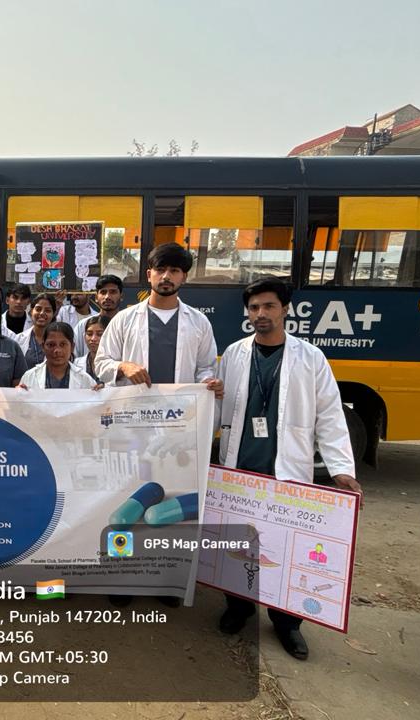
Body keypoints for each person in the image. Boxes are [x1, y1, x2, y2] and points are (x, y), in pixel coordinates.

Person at [215, 277, 362, 661]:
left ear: (285, 309)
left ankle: (287, 622)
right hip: (242, 469)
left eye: (268, 306)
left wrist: (341, 468)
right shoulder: (233, 354)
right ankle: (239, 606)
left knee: (286, 551)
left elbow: (330, 415)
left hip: (287, 473)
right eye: (254, 308)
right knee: (238, 544)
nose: (260, 314)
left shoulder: (310, 358)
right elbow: (220, 406)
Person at [94, 245, 223, 397]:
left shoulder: (199, 322)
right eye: (160, 269)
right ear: (149, 275)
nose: (166, 276)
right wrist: (123, 367)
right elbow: (101, 363)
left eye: (174, 270)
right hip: (134, 406)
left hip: (181, 407)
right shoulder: (124, 319)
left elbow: (206, 367)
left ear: (184, 277)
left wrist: (208, 382)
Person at [19, 322, 99, 390]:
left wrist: (101, 394)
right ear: (43, 347)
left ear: (72, 347)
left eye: (62, 344)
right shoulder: (29, 377)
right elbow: (21, 403)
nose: (57, 350)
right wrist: (18, 395)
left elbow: (96, 403)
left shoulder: (85, 379)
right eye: (51, 345)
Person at [74, 274, 125, 356]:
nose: (107, 297)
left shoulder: (128, 325)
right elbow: (75, 356)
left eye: (113, 292)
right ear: (96, 297)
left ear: (121, 296)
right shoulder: (83, 325)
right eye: (103, 292)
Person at [9, 293, 58, 369]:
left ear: (54, 314)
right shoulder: (18, 339)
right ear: (31, 311)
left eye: (47, 310)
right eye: (38, 309)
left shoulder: (60, 340)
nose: (42, 313)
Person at [73, 314, 108, 381]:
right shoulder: (76, 364)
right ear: (84, 336)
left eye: (99, 334)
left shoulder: (117, 363)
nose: (93, 339)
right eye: (89, 334)